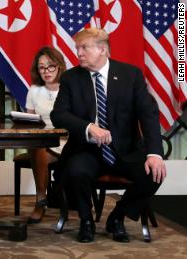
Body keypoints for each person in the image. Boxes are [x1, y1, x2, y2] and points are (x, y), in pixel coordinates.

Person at [51, 28, 166, 243]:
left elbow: (148, 114)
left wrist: (154, 154)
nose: (79, 53)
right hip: (86, 149)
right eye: (77, 48)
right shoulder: (71, 78)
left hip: (125, 150)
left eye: (84, 47)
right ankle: (86, 221)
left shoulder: (130, 75)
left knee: (154, 172)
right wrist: (88, 127)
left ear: (102, 49)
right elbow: (59, 115)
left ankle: (118, 216)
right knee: (75, 172)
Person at [24, 46, 66, 223]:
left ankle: (40, 201)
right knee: (36, 145)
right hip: (41, 141)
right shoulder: (34, 90)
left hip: (66, 141)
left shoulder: (69, 88)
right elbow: (29, 122)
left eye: (50, 66)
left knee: (37, 147)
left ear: (59, 66)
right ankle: (42, 196)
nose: (46, 71)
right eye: (42, 67)